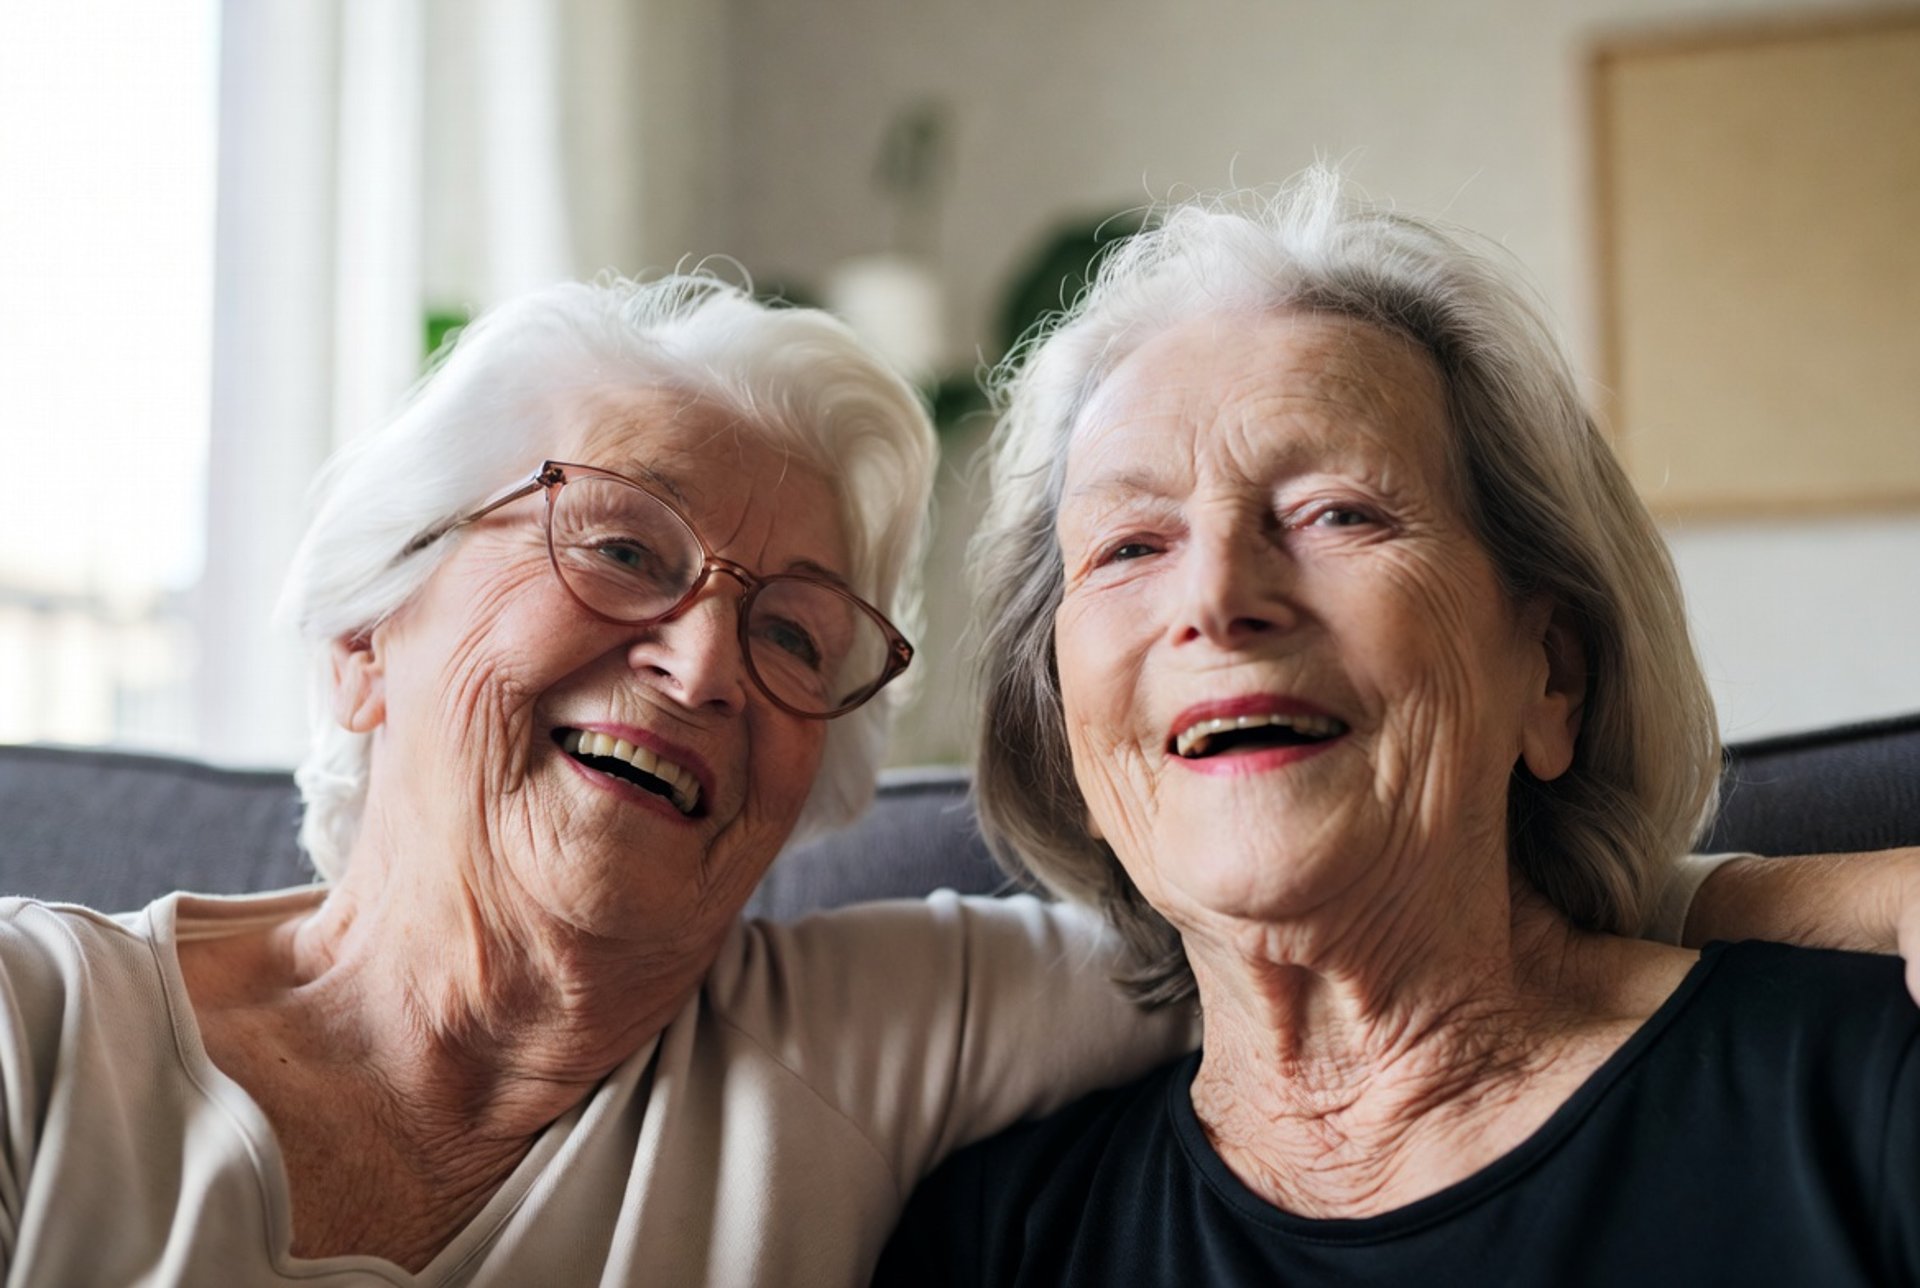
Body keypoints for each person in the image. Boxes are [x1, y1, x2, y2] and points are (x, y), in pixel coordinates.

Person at [0, 265, 1901, 1288]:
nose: (698, 660)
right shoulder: (31, 1034)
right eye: (622, 547)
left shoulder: (876, 1046)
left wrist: (1831, 893)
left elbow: (1372, 904)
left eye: (796, 630)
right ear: (363, 636)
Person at [876, 172, 1920, 1285]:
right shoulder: (998, 1241)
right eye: (1131, 545)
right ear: (1064, 730)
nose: (1217, 598)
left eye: (1337, 512)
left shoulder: (1870, 1097)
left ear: (1550, 676)